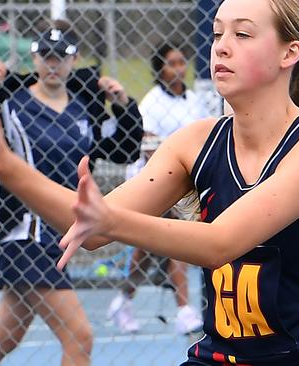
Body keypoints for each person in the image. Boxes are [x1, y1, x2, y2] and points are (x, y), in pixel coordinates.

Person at [0, 0, 299, 364]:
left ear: (289, 53)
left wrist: (108, 220)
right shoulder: (196, 141)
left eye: (243, 34)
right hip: (221, 355)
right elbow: (89, 229)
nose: (221, 47)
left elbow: (220, 242)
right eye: (216, 34)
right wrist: (3, 162)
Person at [0, 23, 143, 366]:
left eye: (61, 57)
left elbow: (124, 150)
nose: (53, 65)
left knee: (3, 340)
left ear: (74, 60)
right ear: (35, 58)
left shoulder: (85, 109)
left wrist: (124, 105)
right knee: (79, 337)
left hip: (60, 236)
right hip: (24, 237)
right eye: (46, 57)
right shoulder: (11, 106)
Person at [109, 42, 207, 335]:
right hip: (151, 180)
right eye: (171, 63)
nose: (179, 68)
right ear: (159, 69)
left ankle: (124, 300)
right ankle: (184, 309)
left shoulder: (193, 100)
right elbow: (150, 149)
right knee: (172, 237)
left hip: (185, 181)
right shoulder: (151, 103)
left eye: (181, 62)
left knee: (148, 250)